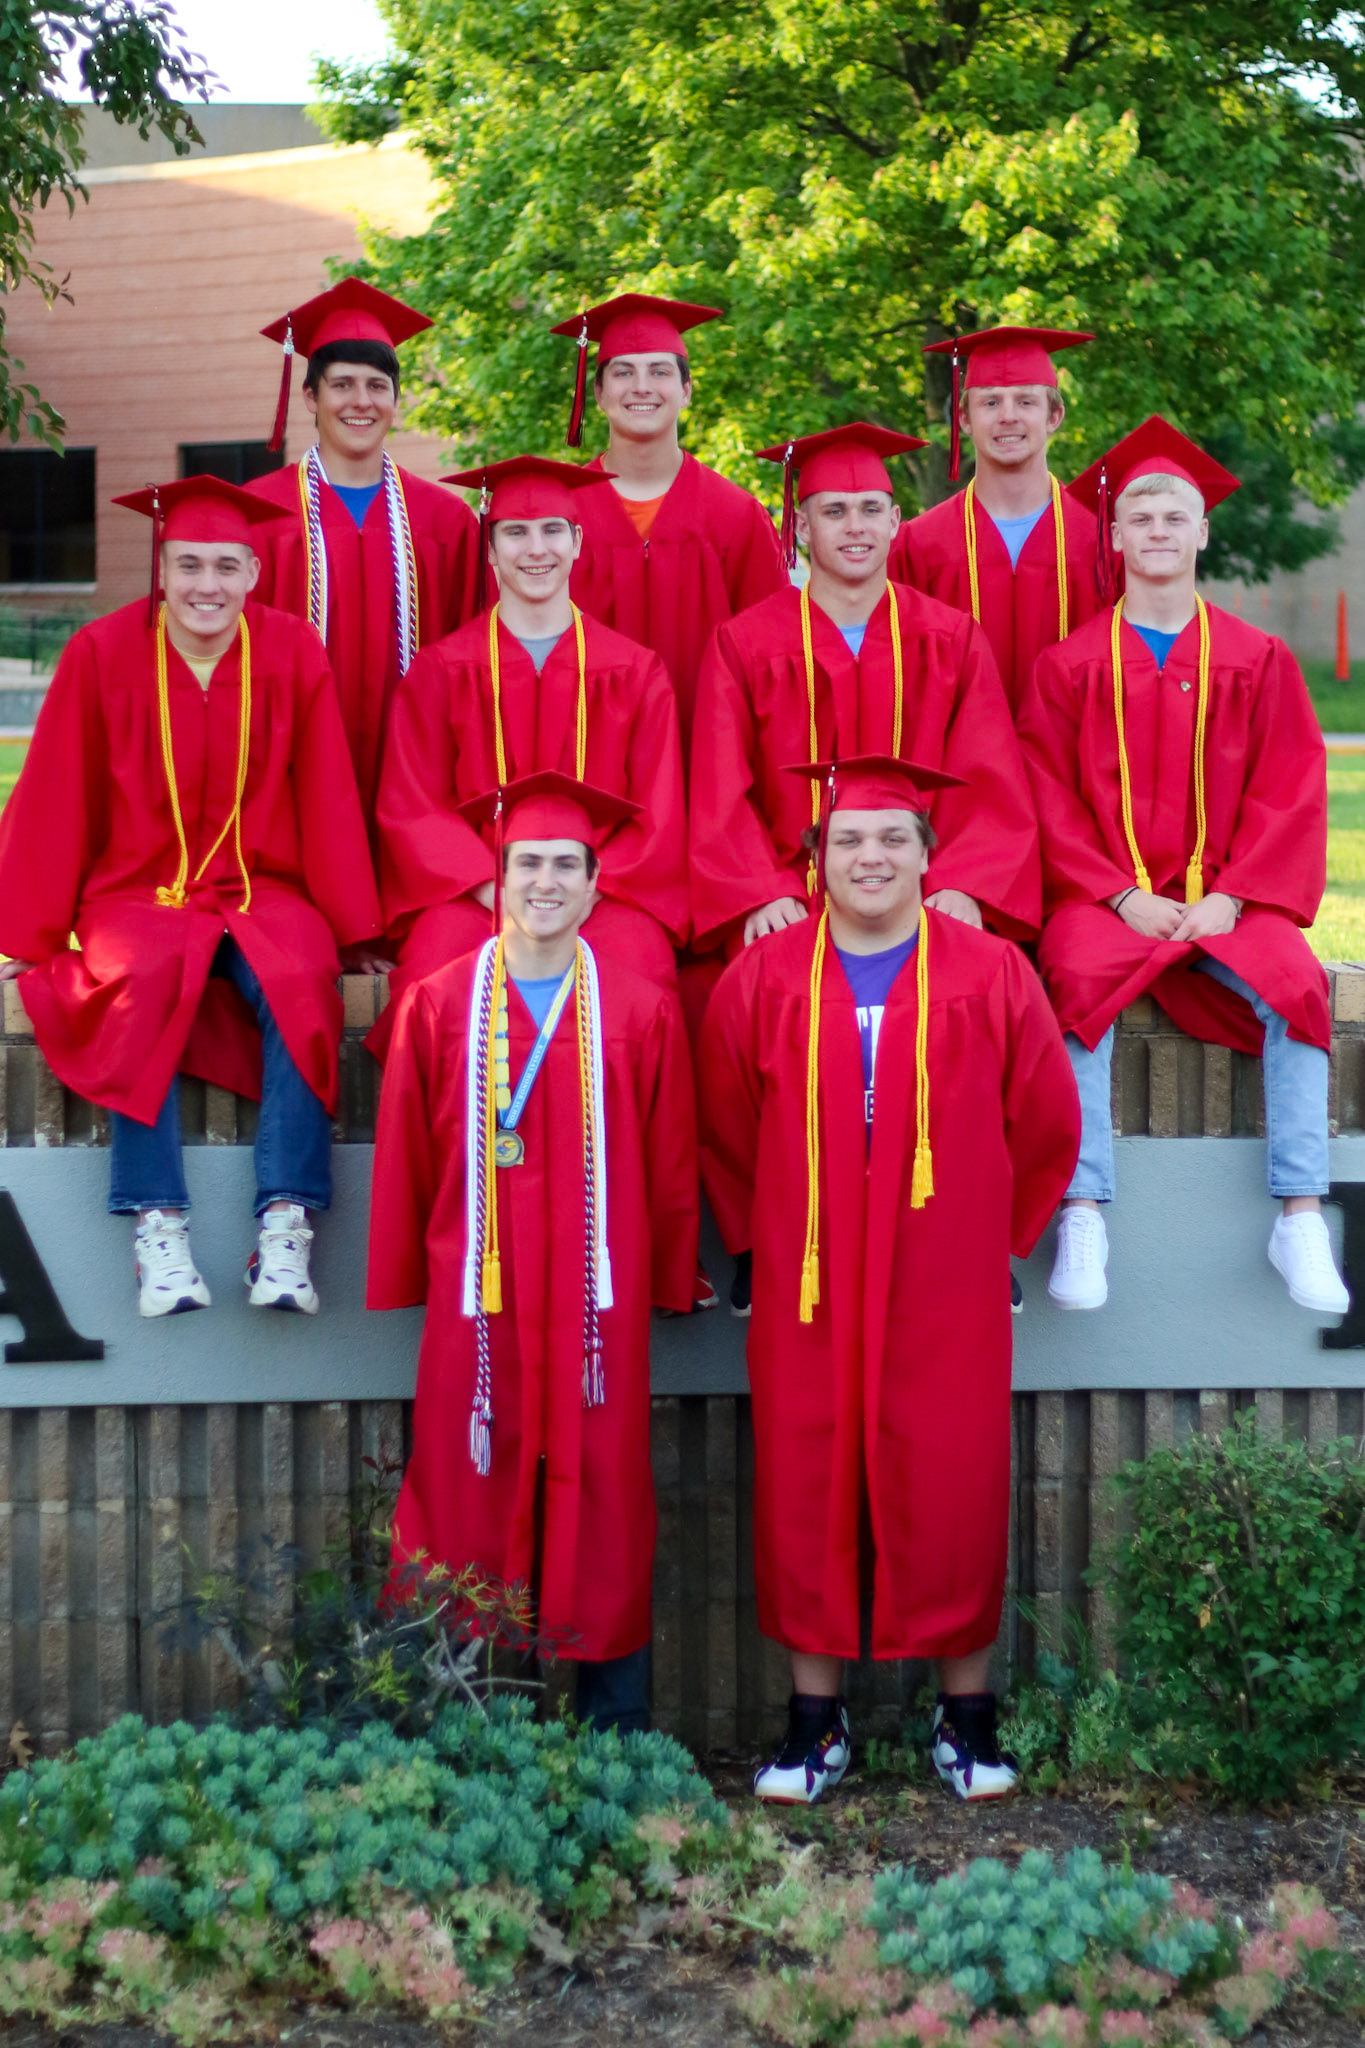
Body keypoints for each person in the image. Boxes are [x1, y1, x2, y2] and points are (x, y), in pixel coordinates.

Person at [699, 754, 1079, 1803]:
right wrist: (761, 1243)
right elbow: (727, 1126)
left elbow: (1045, 1115)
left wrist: (991, 1240)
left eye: (892, 839)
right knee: (805, 1478)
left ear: (928, 855)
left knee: (951, 1480)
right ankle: (813, 1728)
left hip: (944, 1270)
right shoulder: (763, 978)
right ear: (815, 859)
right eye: (848, 840)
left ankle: (970, 1722)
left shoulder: (991, 970)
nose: (871, 856)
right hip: (811, 1273)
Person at [0, 477, 382, 1317]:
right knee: (135, 983)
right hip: (137, 891)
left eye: (224, 566)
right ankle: (156, 1223)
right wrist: (30, 930)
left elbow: (324, 792)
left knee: (303, 983)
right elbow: (59, 792)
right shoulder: (102, 652)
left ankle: (286, 1222)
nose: (206, 585)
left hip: (261, 886)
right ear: (160, 569)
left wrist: (351, 928)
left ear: (254, 571)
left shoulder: (290, 651)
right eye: (187, 565)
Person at [368, 771, 698, 1732]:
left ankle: (614, 1738)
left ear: (598, 886)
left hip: (597, 1307)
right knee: (464, 1492)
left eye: (565, 865)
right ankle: (465, 1733)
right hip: (478, 1297)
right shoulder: (437, 1007)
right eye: (526, 864)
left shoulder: (639, 1009)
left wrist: (669, 1277)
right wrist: (409, 1275)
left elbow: (670, 1160)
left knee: (603, 1497)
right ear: (496, 878)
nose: (544, 883)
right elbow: (407, 1160)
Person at [1017, 416, 1349, 1316]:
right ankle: (1083, 1209)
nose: (1158, 530)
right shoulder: (1066, 666)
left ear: (1202, 533)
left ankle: (1299, 1212)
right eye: (1141, 517)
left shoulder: (1257, 658)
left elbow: (1290, 789)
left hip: (1227, 899)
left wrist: (1233, 897)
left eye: (1175, 516)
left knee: (1297, 983)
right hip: (1105, 894)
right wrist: (1121, 893)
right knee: (1073, 974)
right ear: (1114, 536)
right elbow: (1046, 796)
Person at [371, 455, 689, 1051]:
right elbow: (413, 805)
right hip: (476, 895)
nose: (533, 549)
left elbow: (658, 809)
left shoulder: (634, 671)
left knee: (640, 973)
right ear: (489, 552)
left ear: (577, 543)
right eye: (514, 532)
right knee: (432, 978)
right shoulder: (442, 670)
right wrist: (497, 887)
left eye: (551, 532)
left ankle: (608, 1142)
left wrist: (579, 889)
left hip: (604, 894)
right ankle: (453, 1144)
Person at [690, 423, 1041, 957]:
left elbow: (989, 780)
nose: (856, 527)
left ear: (896, 521)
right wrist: (760, 892)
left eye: (871, 509)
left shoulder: (951, 639)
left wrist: (964, 884)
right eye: (834, 512)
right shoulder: (744, 645)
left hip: (921, 897)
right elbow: (721, 793)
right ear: (802, 526)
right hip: (794, 900)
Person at [248, 279, 482, 835]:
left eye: (378, 386)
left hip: (419, 784)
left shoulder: (446, 523)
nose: (362, 401)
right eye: (342, 384)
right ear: (310, 397)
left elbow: (475, 658)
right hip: (285, 784)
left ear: (396, 402)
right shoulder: (258, 515)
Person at [549, 292, 787, 756]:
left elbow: (771, 660)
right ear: (597, 394)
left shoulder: (736, 516)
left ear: (686, 391)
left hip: (711, 765)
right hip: (585, 765)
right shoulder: (557, 518)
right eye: (623, 372)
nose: (642, 387)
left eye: (659, 371)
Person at [889, 327, 1102, 716]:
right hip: (956, 770)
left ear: (1054, 416)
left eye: (1025, 402)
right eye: (990, 403)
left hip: (1074, 771)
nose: (1007, 417)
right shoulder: (916, 547)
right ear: (965, 420)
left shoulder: (1102, 542)